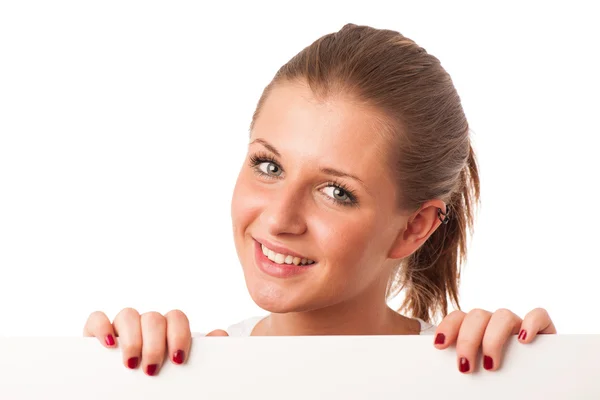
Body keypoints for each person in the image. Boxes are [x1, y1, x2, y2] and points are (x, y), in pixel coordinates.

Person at [83, 23, 556, 377]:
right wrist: (88, 378)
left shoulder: (476, 375)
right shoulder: (178, 370)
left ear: (414, 227)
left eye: (337, 192)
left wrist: (551, 377)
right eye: (268, 166)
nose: (279, 217)